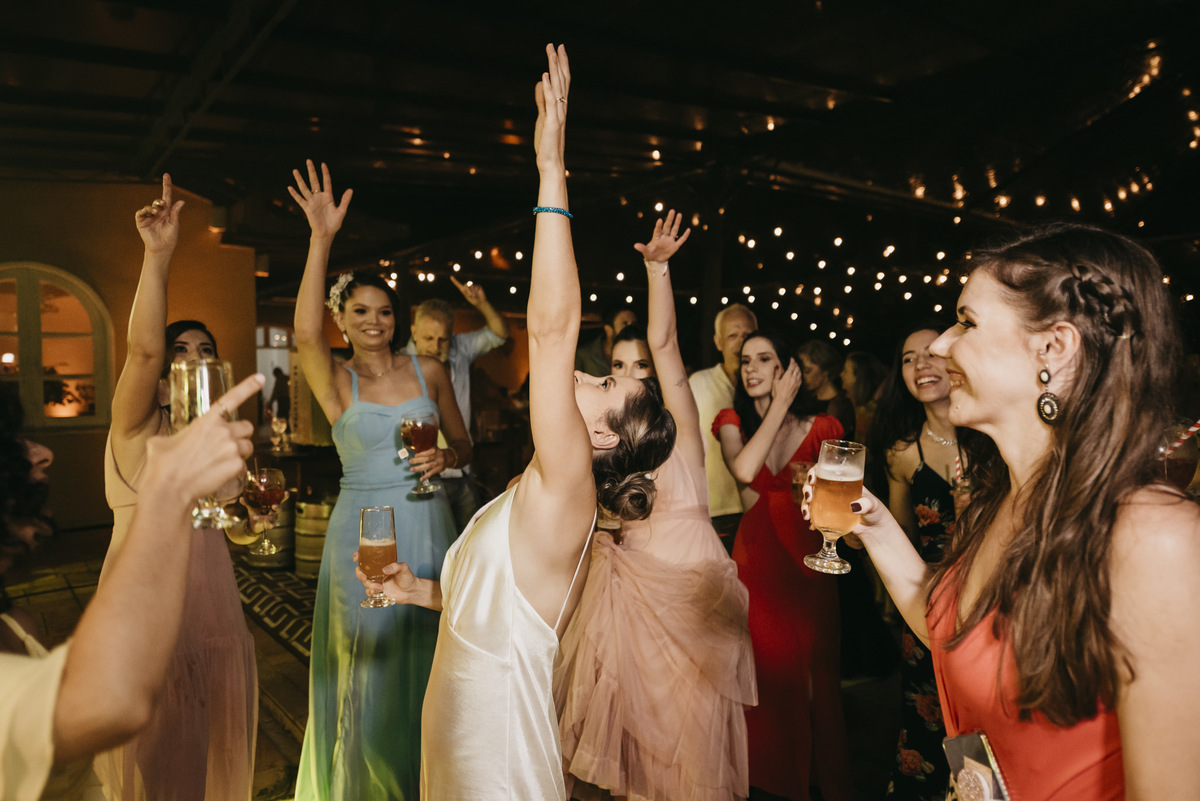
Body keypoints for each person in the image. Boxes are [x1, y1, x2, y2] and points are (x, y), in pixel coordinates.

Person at [358, 45, 676, 799]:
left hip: (493, 748)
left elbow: (554, 325)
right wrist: (419, 591)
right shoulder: (545, 490)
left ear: (602, 437)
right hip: (458, 726)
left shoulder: (569, 486)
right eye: (601, 371)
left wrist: (551, 167)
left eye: (603, 386)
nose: (585, 376)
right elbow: (495, 607)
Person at [805, 223, 1200, 798]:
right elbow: (955, 633)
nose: (941, 345)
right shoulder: (997, 500)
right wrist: (874, 524)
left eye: (965, 322)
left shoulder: (1153, 539)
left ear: (1054, 347)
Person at [555, 211, 756, 801]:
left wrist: (658, 270)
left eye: (639, 367)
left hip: (688, 589)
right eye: (616, 367)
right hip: (629, 600)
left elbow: (665, 340)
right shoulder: (609, 446)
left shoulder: (682, 431)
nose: (629, 375)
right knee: (636, 741)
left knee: (688, 735)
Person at [289, 160, 473, 801]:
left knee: (432, 650)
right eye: (361, 311)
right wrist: (320, 238)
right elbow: (302, 332)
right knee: (366, 662)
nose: (375, 321)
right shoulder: (337, 381)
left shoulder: (431, 370)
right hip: (361, 534)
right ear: (344, 321)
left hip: (430, 523)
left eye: (385, 311)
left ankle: (432, 779)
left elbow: (466, 445)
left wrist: (447, 460)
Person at [1, 374, 262, 801]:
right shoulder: (140, 430)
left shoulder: (15, 622)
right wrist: (168, 491)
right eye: (9, 441)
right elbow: (109, 701)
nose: (41, 452)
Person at [92, 176, 258, 801]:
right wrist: (157, 256)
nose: (189, 359)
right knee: (159, 757)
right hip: (145, 609)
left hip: (212, 605)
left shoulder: (220, 444)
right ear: (163, 381)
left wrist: (254, 519)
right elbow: (140, 352)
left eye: (204, 351)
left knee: (204, 751)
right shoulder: (138, 429)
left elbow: (235, 527)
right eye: (178, 352)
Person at [714, 332, 852, 801]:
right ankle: (771, 783)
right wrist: (781, 401)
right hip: (757, 561)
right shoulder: (731, 422)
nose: (751, 368)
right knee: (767, 676)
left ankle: (820, 781)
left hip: (811, 558)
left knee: (815, 679)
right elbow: (745, 471)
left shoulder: (825, 428)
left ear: (785, 367)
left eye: (764, 359)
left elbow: (844, 508)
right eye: (744, 361)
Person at [866, 322, 965, 801]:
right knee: (929, 716)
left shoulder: (992, 442)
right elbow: (900, 535)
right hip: (927, 600)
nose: (922, 364)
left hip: (990, 597)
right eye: (908, 358)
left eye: (930, 353)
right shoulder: (903, 453)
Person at [404, 279, 509, 531]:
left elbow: (500, 333)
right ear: (413, 331)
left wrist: (481, 304)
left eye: (443, 339)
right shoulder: (399, 364)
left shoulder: (460, 349)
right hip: (420, 476)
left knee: (468, 546)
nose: (435, 347)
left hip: (461, 470)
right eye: (428, 338)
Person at [689, 303, 757, 551]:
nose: (740, 342)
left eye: (747, 335)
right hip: (714, 510)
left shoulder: (766, 386)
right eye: (732, 335)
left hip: (758, 509)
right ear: (718, 342)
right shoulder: (699, 383)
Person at [798, 339, 856, 440]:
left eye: (807, 371)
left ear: (826, 370)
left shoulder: (839, 406)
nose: (802, 376)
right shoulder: (807, 399)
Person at [574, 301, 637, 376]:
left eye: (633, 324)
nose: (630, 329)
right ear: (608, 329)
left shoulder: (639, 354)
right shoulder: (583, 355)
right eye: (624, 324)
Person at [841, 351, 887, 446]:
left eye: (845, 371)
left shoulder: (867, 415)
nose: (841, 374)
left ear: (859, 377)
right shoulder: (854, 406)